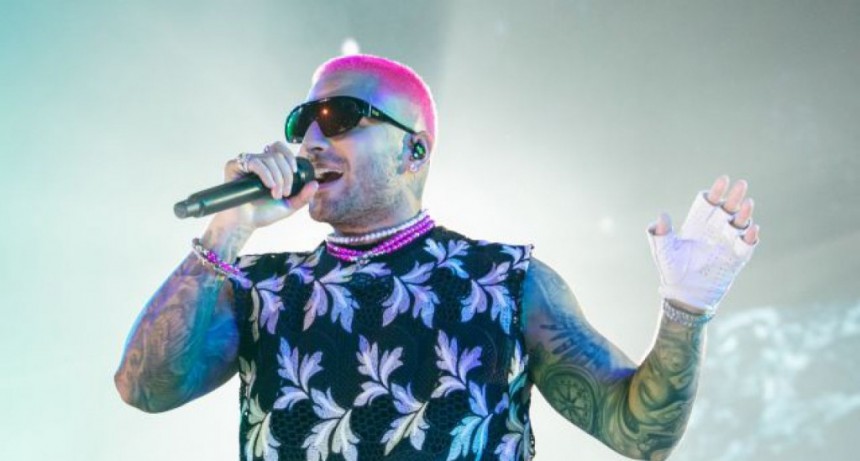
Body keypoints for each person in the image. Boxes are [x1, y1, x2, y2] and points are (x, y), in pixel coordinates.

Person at [114, 54, 760, 461]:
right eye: (301, 121)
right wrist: (227, 231)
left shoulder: (506, 282)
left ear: (414, 151)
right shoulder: (256, 288)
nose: (311, 139)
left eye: (340, 117)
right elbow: (143, 389)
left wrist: (686, 309)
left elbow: (638, 433)